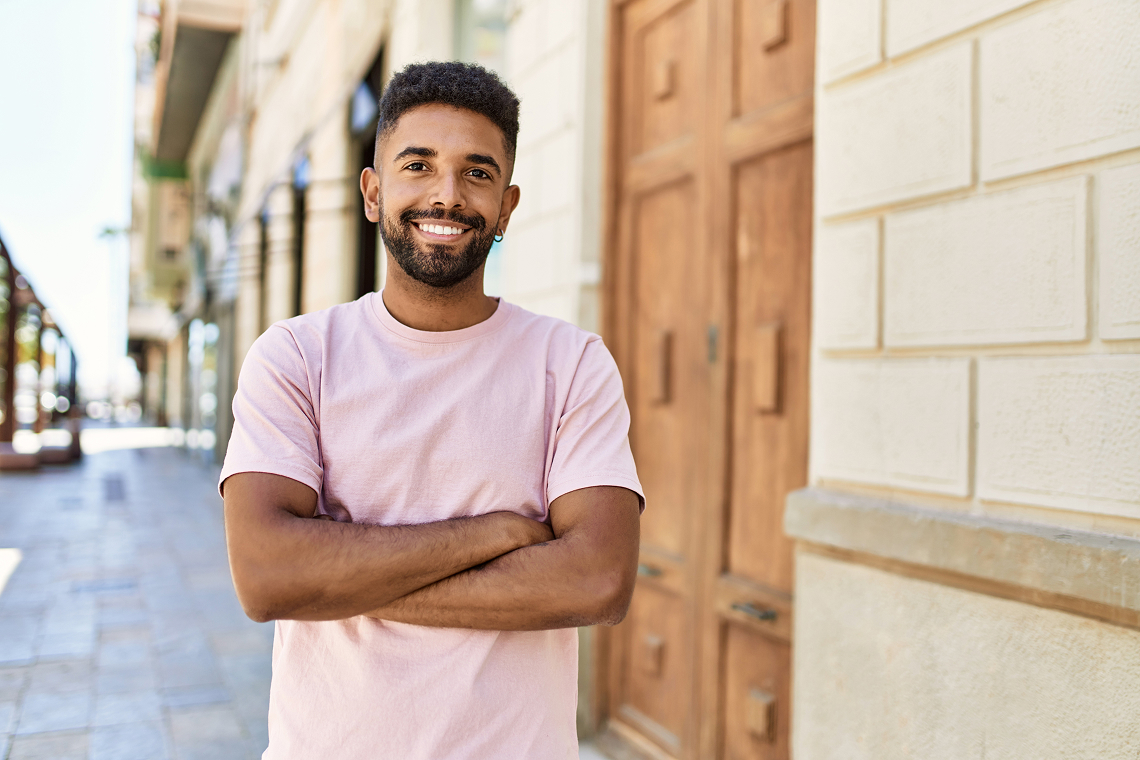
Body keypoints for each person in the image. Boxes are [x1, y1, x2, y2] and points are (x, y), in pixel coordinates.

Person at [220, 61, 644, 759]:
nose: (447, 195)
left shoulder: (570, 363)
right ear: (373, 190)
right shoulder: (296, 356)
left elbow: (597, 579)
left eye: (477, 173)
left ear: (507, 207)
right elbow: (268, 577)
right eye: (419, 165)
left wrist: (333, 581)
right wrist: (497, 533)